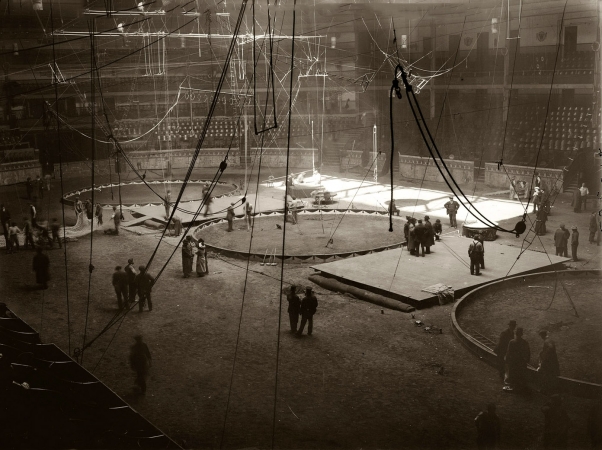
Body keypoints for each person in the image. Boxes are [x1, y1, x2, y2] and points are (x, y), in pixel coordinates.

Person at [503, 327, 530, 392]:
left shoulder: (512, 342)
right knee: (520, 374)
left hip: (513, 362)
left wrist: (506, 360)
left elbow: (508, 352)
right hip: (521, 362)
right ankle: (520, 387)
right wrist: (526, 360)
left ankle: (513, 387)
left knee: (513, 374)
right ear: (521, 334)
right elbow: (528, 353)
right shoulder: (525, 342)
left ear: (516, 334)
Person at [537, 330, 560, 395]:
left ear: (542, 336)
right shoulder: (549, 340)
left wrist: (544, 359)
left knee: (546, 375)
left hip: (549, 362)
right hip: (553, 362)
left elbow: (550, 348)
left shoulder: (547, 341)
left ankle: (545, 390)